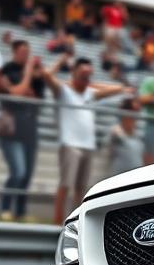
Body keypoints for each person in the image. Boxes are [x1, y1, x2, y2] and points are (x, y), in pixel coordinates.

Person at [44, 56, 132, 223]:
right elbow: (47, 75)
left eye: (88, 74)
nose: (86, 77)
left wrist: (88, 83)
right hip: (70, 144)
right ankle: (56, 224)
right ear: (74, 73)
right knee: (65, 185)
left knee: (80, 189)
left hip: (87, 146)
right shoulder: (64, 91)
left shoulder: (90, 93)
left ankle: (76, 224)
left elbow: (118, 88)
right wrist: (62, 60)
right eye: (83, 73)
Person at [0, 40, 45, 221]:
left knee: (27, 175)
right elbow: (18, 93)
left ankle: (20, 212)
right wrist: (28, 75)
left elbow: (38, 97)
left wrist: (35, 76)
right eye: (23, 52)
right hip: (11, 130)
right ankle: (5, 208)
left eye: (28, 52)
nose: (26, 55)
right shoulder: (7, 70)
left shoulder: (34, 73)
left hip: (29, 129)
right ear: (15, 52)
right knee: (18, 172)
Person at [106, 98, 144, 177]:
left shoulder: (138, 134)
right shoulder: (115, 132)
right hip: (119, 176)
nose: (135, 116)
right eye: (132, 112)